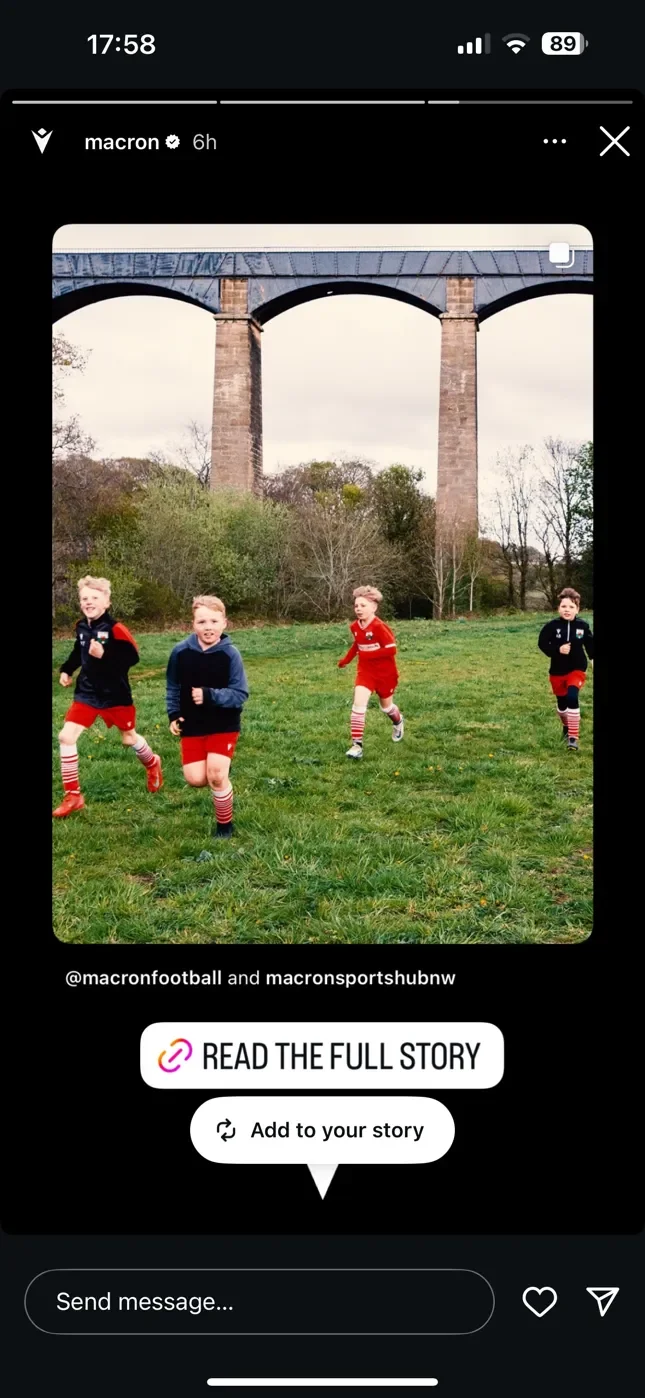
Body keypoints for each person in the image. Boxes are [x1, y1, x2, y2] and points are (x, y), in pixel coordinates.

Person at [53, 576, 162, 817]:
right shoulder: (81, 627)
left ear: (107, 602)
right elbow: (77, 652)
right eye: (84, 598)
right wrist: (66, 670)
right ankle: (73, 796)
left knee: (128, 738)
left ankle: (152, 762)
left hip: (115, 696)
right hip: (87, 693)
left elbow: (132, 659)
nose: (89, 602)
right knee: (66, 736)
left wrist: (105, 654)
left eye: (94, 598)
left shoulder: (116, 629)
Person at [166, 596, 249, 838]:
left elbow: (240, 693)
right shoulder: (180, 652)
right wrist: (173, 714)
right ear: (193, 624)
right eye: (202, 621)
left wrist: (210, 695)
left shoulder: (230, 654)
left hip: (224, 722)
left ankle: (225, 826)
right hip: (192, 723)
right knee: (195, 778)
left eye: (214, 621)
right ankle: (221, 769)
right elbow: (172, 686)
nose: (208, 627)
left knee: (215, 776)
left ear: (225, 623)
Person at [337, 585, 404, 759]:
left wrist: (369, 654)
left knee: (386, 707)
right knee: (358, 706)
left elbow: (391, 649)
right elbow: (357, 645)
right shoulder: (355, 627)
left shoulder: (380, 627)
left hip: (385, 674)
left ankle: (398, 721)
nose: (358, 609)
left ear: (373, 607)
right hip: (365, 673)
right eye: (356, 606)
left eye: (363, 606)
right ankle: (356, 746)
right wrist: (346, 660)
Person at [538, 587, 594, 751]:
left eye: (571, 607)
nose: (567, 610)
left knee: (572, 696)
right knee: (562, 704)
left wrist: (592, 659)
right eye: (564, 606)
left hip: (577, 669)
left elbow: (590, 645)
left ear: (577, 609)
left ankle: (573, 738)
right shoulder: (551, 626)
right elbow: (542, 644)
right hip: (557, 671)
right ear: (558, 608)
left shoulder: (582, 626)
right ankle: (565, 726)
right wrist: (557, 650)